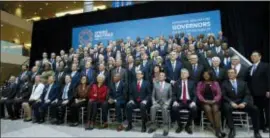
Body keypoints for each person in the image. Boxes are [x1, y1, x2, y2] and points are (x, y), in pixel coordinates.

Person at [222, 69, 262, 138]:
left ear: (236, 74)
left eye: (232, 73)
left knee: (255, 109)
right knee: (227, 108)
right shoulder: (224, 83)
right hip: (230, 102)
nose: (230, 74)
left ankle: (256, 132)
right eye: (228, 73)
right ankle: (232, 129)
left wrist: (244, 103)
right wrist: (231, 102)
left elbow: (247, 94)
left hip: (241, 102)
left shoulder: (243, 83)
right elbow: (223, 95)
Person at [196, 70, 225, 138]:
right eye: (204, 74)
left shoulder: (215, 83)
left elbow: (219, 93)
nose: (206, 76)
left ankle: (216, 129)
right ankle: (217, 130)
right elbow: (198, 93)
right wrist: (204, 100)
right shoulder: (200, 83)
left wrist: (215, 100)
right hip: (204, 101)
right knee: (208, 109)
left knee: (215, 109)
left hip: (214, 101)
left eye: (207, 74)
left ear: (210, 75)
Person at [247, 51, 269, 132]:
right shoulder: (250, 68)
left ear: (260, 57)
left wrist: (268, 90)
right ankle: (260, 125)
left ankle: (267, 126)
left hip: (264, 92)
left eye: (255, 56)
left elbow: (268, 78)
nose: (253, 57)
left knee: (267, 110)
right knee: (257, 110)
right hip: (254, 93)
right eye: (252, 56)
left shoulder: (265, 66)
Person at [171, 68, 197, 134]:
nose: (183, 74)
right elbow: (173, 94)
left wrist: (193, 102)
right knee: (174, 108)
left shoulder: (192, 83)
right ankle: (180, 125)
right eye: (182, 73)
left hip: (189, 102)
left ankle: (188, 126)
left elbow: (195, 95)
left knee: (194, 109)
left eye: (185, 73)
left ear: (188, 75)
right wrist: (175, 101)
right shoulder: (177, 83)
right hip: (180, 102)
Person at [148, 72, 172, 136]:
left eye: (162, 75)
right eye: (160, 75)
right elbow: (153, 96)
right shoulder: (155, 84)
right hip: (157, 102)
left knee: (164, 108)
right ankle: (153, 125)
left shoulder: (169, 85)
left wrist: (167, 103)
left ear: (165, 77)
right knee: (152, 108)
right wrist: (154, 102)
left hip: (165, 102)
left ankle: (166, 127)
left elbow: (171, 96)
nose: (161, 76)